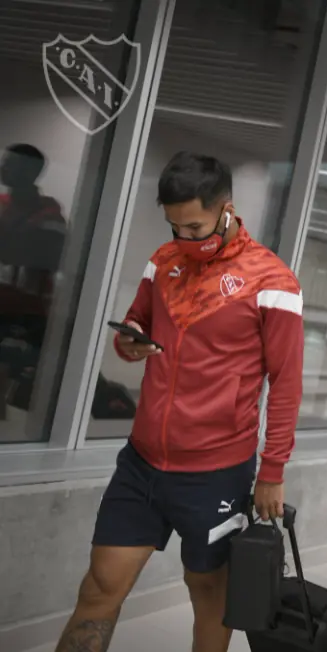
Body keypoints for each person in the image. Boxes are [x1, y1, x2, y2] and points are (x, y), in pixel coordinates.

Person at [55, 152, 304, 652]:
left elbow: (287, 382)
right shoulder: (164, 261)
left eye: (195, 226)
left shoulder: (272, 282)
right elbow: (135, 326)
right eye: (175, 227)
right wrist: (130, 343)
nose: (185, 239)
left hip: (216, 471)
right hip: (141, 464)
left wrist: (272, 469)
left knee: (209, 594)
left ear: (225, 209)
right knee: (100, 587)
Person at [0, 144, 66, 421]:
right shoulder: (3, 206)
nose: (3, 168)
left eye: (10, 163)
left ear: (30, 172)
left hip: (24, 314)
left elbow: (50, 258)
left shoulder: (50, 215)